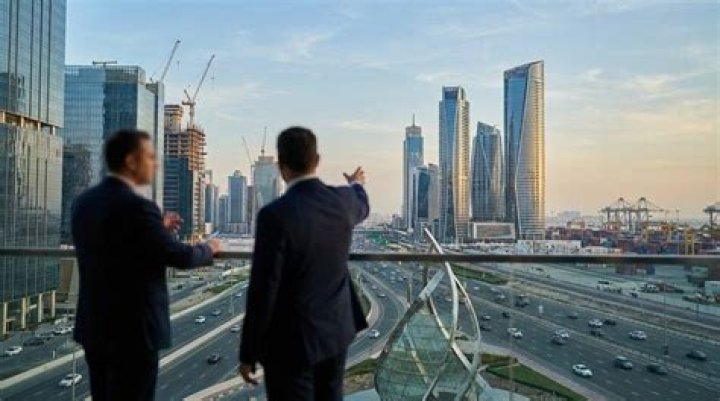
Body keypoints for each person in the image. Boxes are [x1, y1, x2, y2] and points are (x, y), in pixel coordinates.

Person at [71, 129, 223, 401]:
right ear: (131, 161)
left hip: (94, 326)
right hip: (133, 332)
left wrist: (157, 228)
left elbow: (117, 243)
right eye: (150, 157)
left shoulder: (83, 203)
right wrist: (209, 248)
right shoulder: (139, 207)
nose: (156, 164)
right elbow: (181, 256)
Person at [239, 126, 369, 401]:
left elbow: (263, 289)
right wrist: (356, 183)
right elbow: (362, 203)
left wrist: (248, 353)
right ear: (317, 160)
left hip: (289, 341)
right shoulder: (342, 202)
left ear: (281, 166)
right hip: (335, 332)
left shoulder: (274, 215)